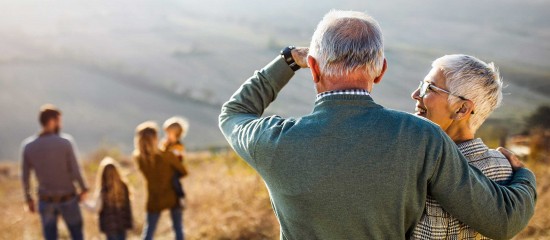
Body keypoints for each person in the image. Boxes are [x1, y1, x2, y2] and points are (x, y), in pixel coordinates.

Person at [218, 10, 537, 239]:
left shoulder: (273, 141)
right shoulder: (421, 137)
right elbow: (502, 221)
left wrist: (289, 60)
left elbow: (234, 113)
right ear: (380, 71)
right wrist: (523, 176)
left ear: (314, 69)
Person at [409, 55, 513, 239]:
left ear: (462, 109)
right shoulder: (506, 170)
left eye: (428, 87)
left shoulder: (415, 166)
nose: (416, 94)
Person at [21, 104, 88, 240]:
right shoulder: (65, 143)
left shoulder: (28, 146)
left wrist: (28, 199)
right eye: (59, 121)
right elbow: (75, 170)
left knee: (50, 236)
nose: (61, 125)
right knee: (77, 234)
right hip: (68, 198)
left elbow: (25, 176)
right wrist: (84, 188)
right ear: (52, 121)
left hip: (45, 200)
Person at [133, 121, 188, 240]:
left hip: (154, 198)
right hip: (173, 195)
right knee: (178, 228)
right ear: (154, 138)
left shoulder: (139, 158)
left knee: (148, 232)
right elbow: (183, 171)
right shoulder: (167, 155)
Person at [83, 157, 132, 240]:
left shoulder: (103, 190)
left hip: (109, 227)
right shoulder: (124, 186)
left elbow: (96, 208)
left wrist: (83, 203)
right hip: (123, 225)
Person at [161, 116, 189, 207]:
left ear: (176, 134)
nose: (167, 136)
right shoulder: (166, 143)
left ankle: (181, 196)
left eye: (169, 133)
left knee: (174, 181)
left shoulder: (178, 146)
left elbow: (175, 157)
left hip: (175, 168)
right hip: (166, 168)